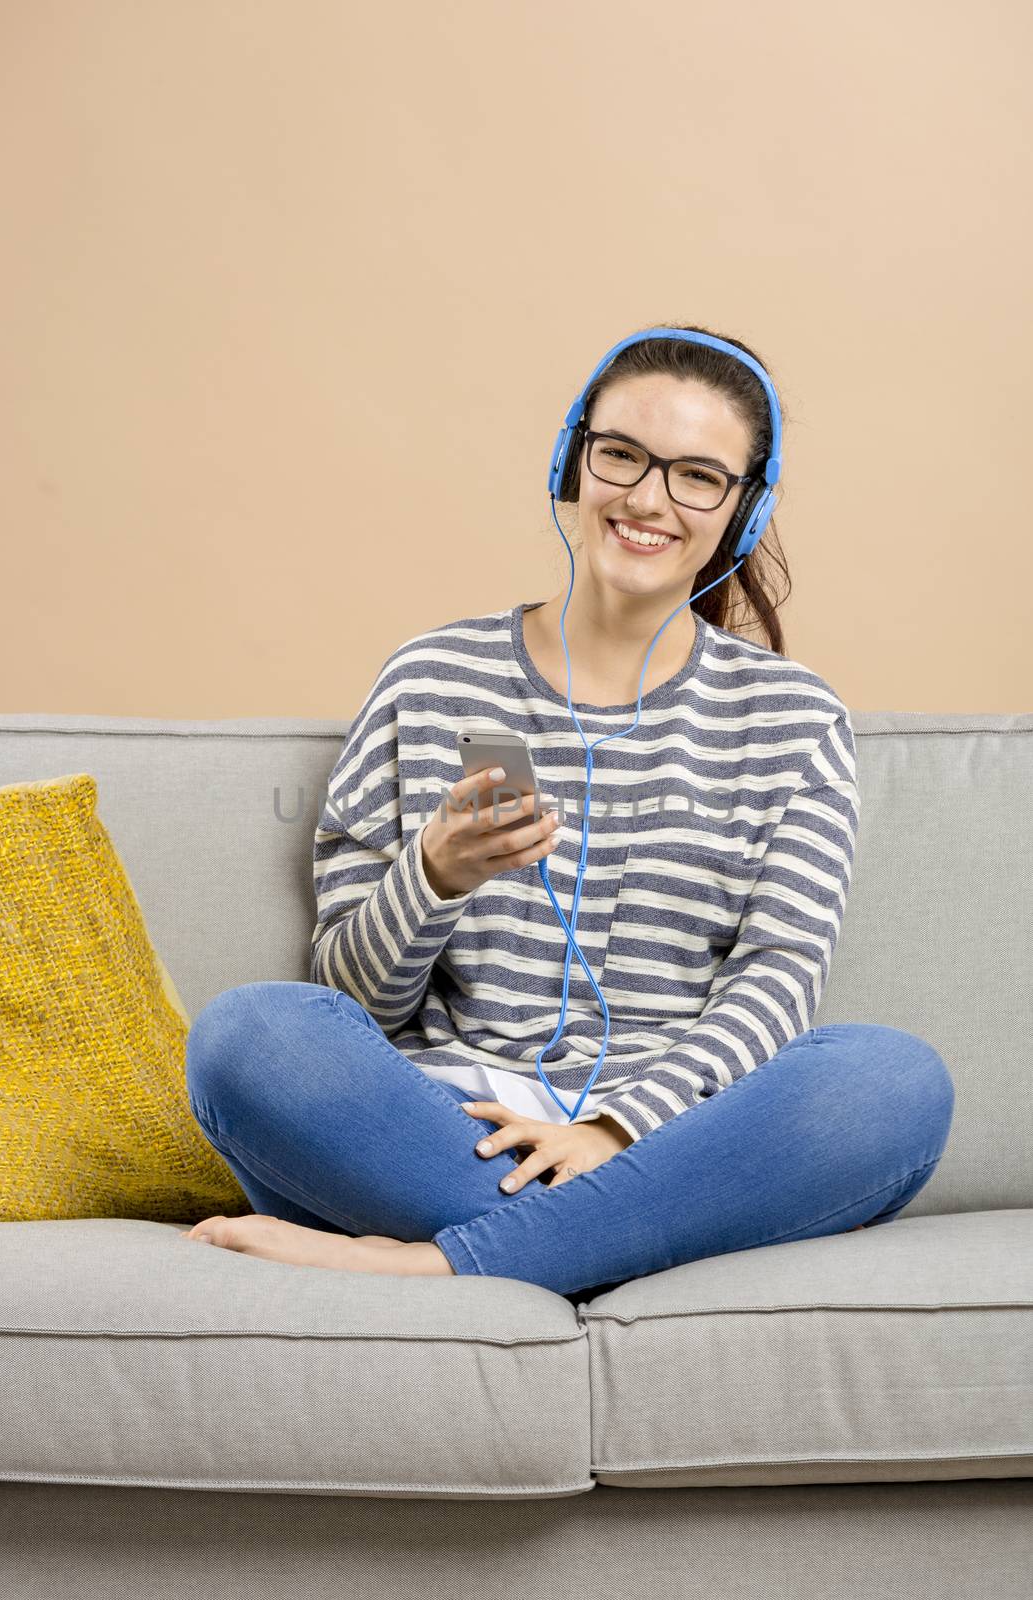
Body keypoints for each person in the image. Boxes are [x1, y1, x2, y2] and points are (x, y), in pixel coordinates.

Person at [180, 322, 955, 1299]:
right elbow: (352, 998)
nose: (646, 498)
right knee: (249, 1033)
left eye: (696, 476)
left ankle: (439, 1259)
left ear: (741, 513)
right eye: (620, 455)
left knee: (892, 1080)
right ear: (570, 462)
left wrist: (611, 1132)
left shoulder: (792, 720)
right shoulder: (431, 680)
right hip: (447, 1127)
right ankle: (596, 1242)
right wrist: (434, 874)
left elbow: (775, 983)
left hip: (669, 1135)